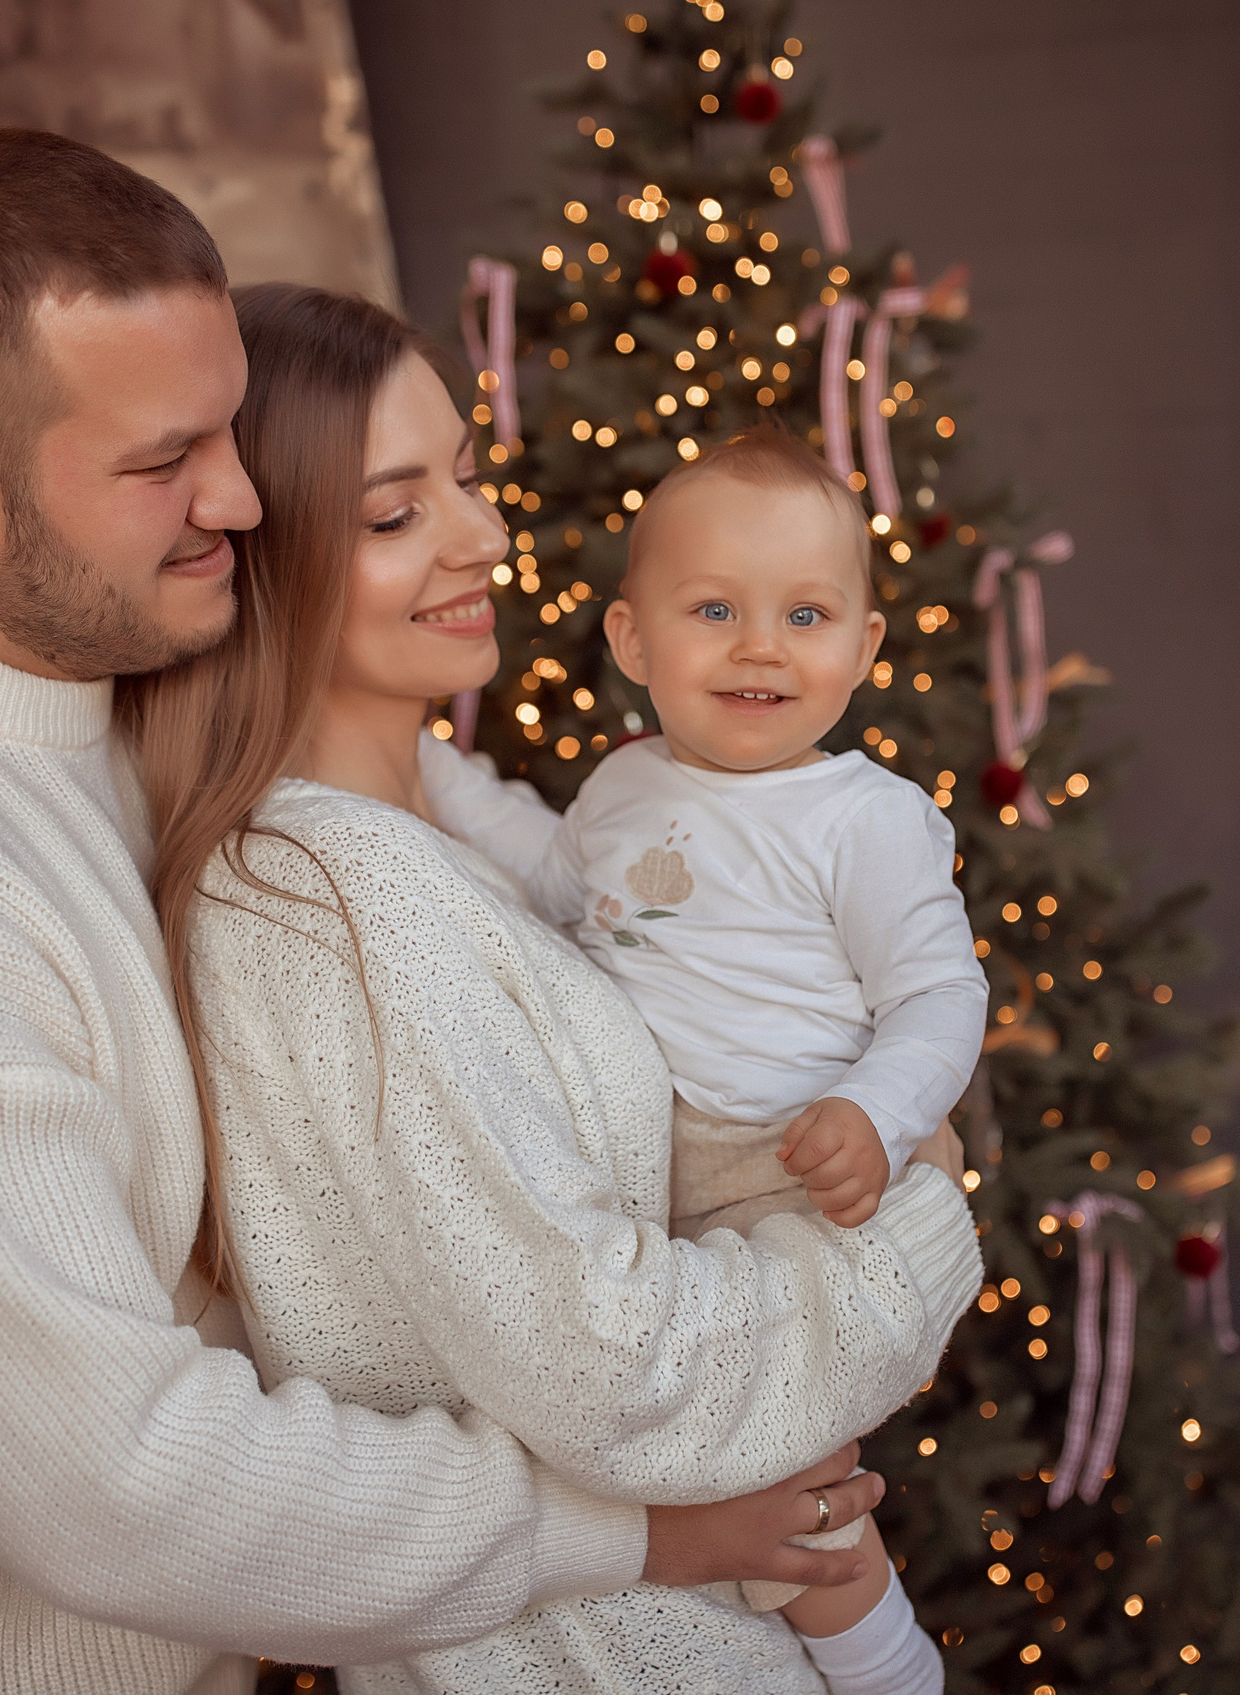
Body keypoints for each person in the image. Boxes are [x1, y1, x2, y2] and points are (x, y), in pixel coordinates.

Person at [0, 129, 887, 1695]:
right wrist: (641, 1532)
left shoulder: (94, 675)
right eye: (162, 462)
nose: (245, 498)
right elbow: (115, 1482)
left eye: (227, 431)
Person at [120, 282, 979, 1695]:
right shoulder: (344, 902)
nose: (482, 535)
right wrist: (924, 1225)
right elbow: (613, 1370)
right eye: (397, 514)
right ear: (264, 558)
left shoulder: (395, 852)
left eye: (464, 478)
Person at [420, 427, 986, 1636]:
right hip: (638, 1166)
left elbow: (940, 997)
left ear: (863, 646)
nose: (760, 648)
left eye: (806, 615)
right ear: (633, 639)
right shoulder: (626, 784)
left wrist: (874, 1116)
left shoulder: (863, 820)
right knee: (677, 1440)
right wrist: (438, 776)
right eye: (715, 608)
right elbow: (549, 879)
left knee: (790, 1469)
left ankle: (884, 1667)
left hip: (790, 1159)